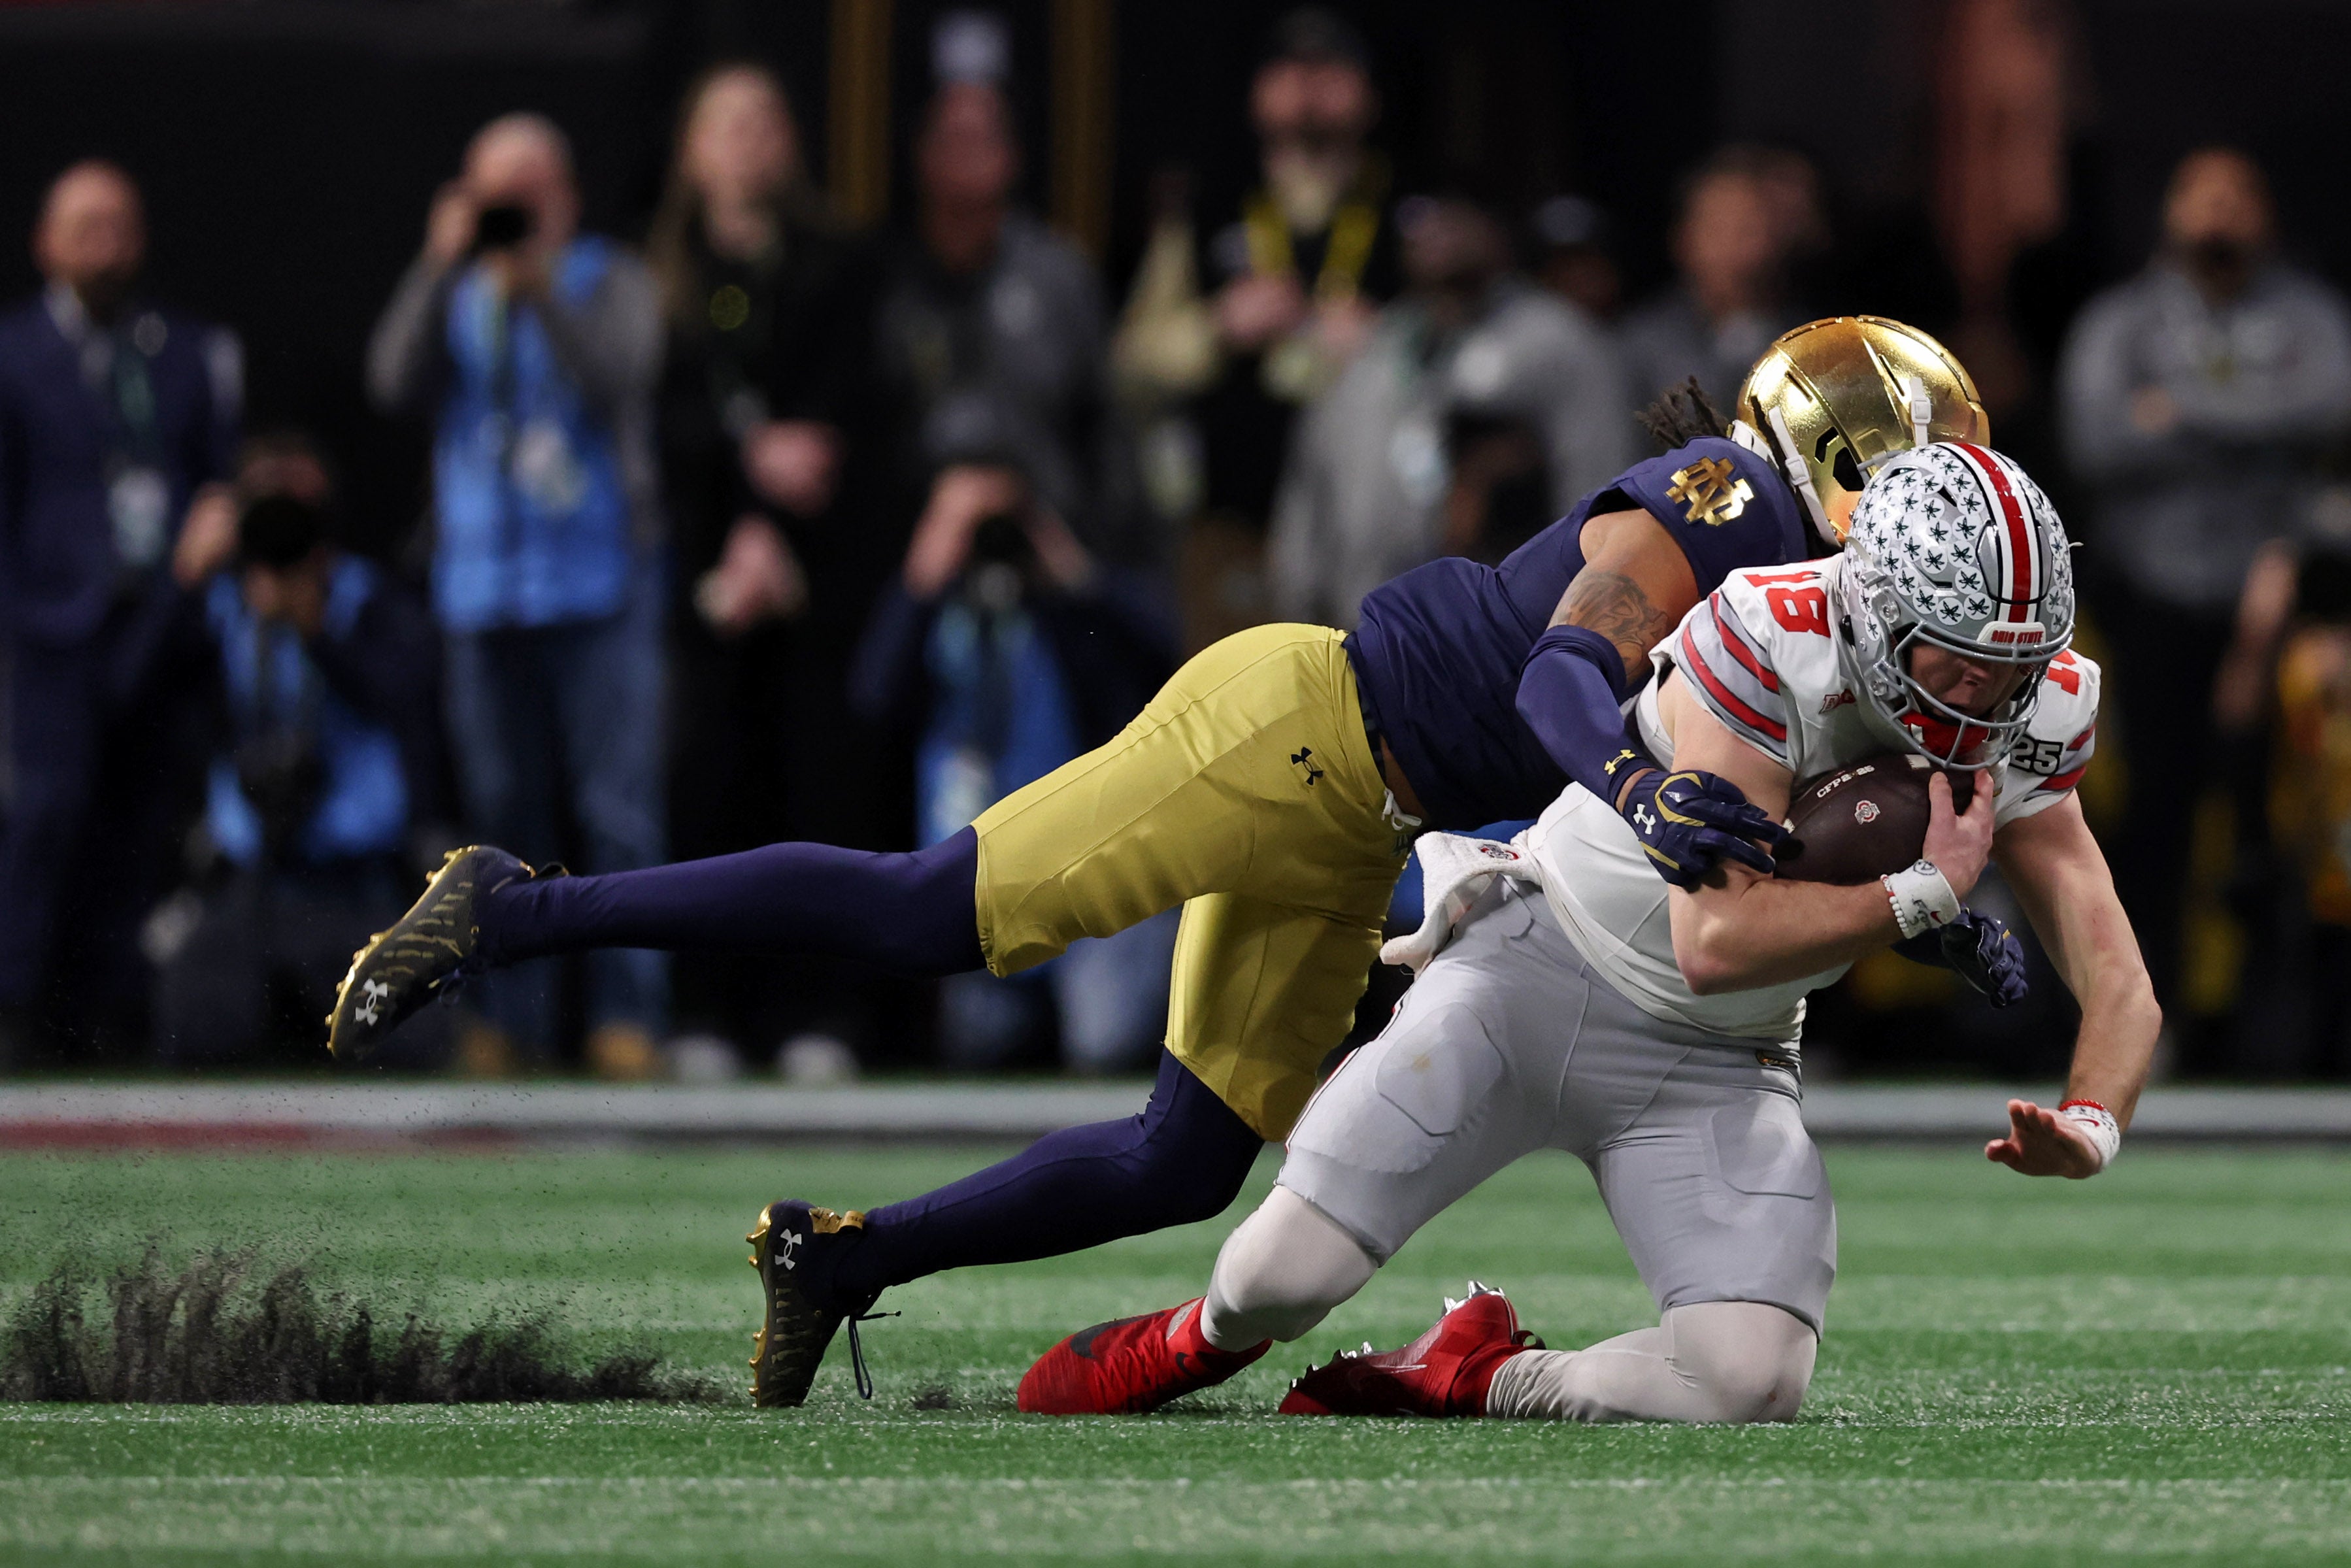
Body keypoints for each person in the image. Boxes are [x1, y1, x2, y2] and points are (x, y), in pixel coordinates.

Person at [327, 318, 1988, 1409]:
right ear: (1847, 454)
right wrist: (1633, 778)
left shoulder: (1805, 603)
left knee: (1183, 1161)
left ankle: (835, 1256)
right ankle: (512, 902)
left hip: (1367, 818)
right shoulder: (1725, 504)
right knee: (929, 908)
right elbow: (1560, 674)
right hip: (1293, 726)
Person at [1017, 443, 2156, 1422]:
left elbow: (2114, 965)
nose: (1984, 697)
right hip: (1534, 969)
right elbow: (1715, 935)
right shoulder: (1768, 634)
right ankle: (1191, 1339)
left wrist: (2094, 1122)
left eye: (2013, 665)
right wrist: (1920, 895)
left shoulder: (2036, 705)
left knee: (1750, 1378)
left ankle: (1478, 1373)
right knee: (1275, 1277)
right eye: (1958, 656)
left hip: (1716, 1056)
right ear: (1873, 609)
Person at [365, 113, 669, 1078]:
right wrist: (432, 265)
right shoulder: (454, 290)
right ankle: (513, 1019)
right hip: (483, 590)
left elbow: (623, 377)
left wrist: (542, 297)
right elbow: (389, 382)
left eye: (530, 187)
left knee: (616, 814)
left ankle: (628, 1017)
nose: (514, 207)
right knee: (500, 823)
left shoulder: (609, 280)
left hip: (596, 586)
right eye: (497, 188)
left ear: (565, 196)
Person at [2057, 147, 2351, 1037]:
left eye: (2237, 195)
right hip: (2154, 594)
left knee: (2286, 813)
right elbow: (2097, 439)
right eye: (2202, 195)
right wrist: (2265, 433)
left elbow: (2334, 409)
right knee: (2154, 810)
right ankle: (2154, 1017)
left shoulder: (2308, 315)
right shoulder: (2123, 321)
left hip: (2280, 590)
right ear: (2172, 211)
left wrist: (2178, 413)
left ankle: (2280, 1023)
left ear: (2263, 212)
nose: (2219, 213)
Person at [646, 63, 884, 1061]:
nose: (747, 139)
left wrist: (776, 533)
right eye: (725, 121)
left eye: (765, 119)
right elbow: (662, 421)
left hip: (813, 576)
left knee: (816, 791)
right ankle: (706, 1013)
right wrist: (743, 492)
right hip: (703, 577)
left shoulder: (837, 268)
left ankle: (820, 1014)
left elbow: (850, 420)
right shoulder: (657, 284)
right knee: (710, 789)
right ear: (693, 149)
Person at [0, 160, 241, 1061]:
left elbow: (213, 472)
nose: (106, 242)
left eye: (120, 224)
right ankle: (20, 1008)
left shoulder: (180, 352)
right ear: (45, 242)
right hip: (53, 629)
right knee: (47, 816)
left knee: (138, 825)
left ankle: (115, 1013)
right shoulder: (16, 354)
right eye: (86, 224)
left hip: (161, 621)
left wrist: (215, 527)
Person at [850, 464, 1178, 1073]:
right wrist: (928, 567)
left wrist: (1074, 572)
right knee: (980, 1048)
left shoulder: (1073, 613)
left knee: (1102, 1044)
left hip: (1092, 872)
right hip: (984, 883)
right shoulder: (940, 616)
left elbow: (1166, 658)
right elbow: (872, 695)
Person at [1113, 8, 1398, 644]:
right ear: (1256, 92)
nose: (1310, 85)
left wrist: (1383, 341)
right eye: (1291, 68)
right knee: (1236, 709)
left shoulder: (1406, 212)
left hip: (1372, 532)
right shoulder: (1210, 207)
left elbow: (1466, 351)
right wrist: (1217, 327)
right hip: (1233, 518)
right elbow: (1131, 360)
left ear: (1369, 94)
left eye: (1332, 69)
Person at [154, 473, 448, 1067]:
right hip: (253, 878)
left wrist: (315, 627)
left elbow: (401, 697)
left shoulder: (368, 598)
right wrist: (182, 577)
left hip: (352, 881)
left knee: (411, 1044)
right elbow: (128, 692)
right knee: (194, 1032)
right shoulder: (219, 605)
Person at [1265, 194, 1631, 628]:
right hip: (1367, 620)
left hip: (1506, 631)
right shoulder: (1374, 347)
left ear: (1497, 231)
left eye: (1459, 213)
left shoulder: (1557, 342)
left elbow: (1601, 483)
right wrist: (1295, 592)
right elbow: (1313, 480)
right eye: (1420, 215)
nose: (1437, 229)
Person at [1619, 148, 1823, 410]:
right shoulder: (1637, 350)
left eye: (1750, 230)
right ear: (1683, 239)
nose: (1736, 250)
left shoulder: (1815, 345)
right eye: (1719, 230)